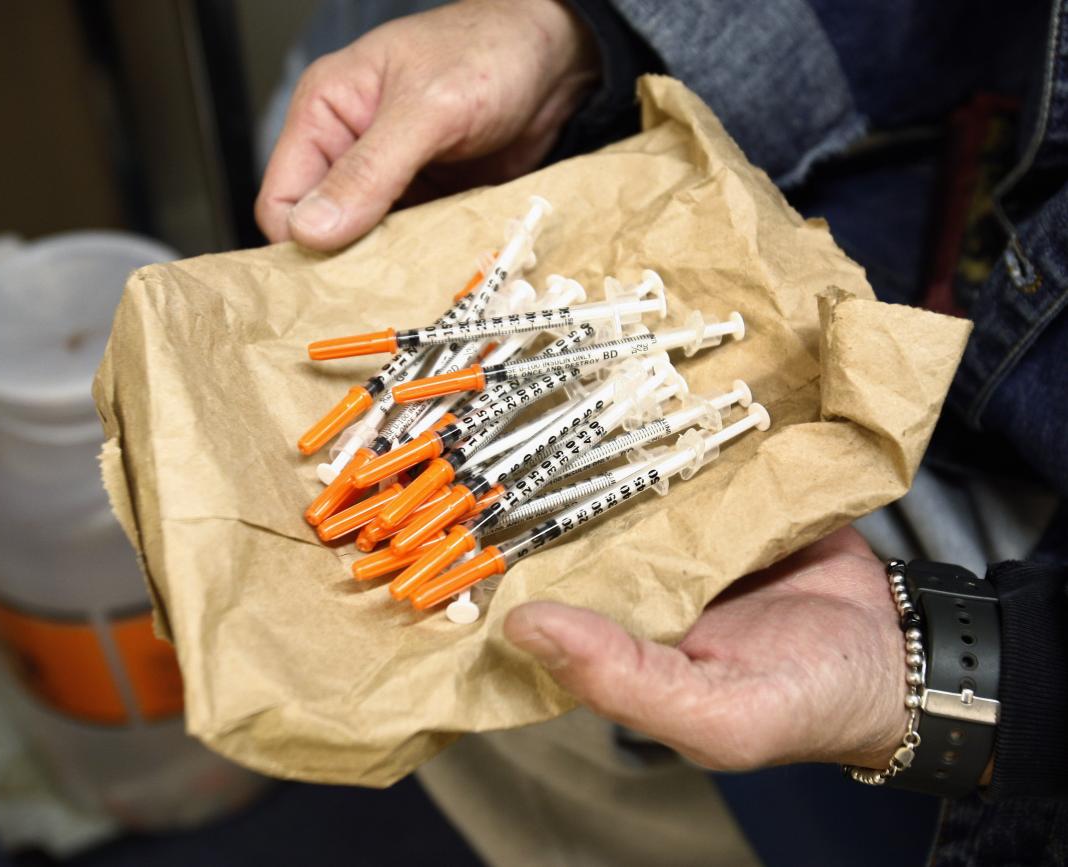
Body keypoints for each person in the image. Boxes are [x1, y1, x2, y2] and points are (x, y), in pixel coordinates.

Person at [256, 1, 1068, 864]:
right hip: (941, 205)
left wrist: (1003, 680)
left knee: (540, 701)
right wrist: (588, 41)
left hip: (1004, 504)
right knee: (327, 111)